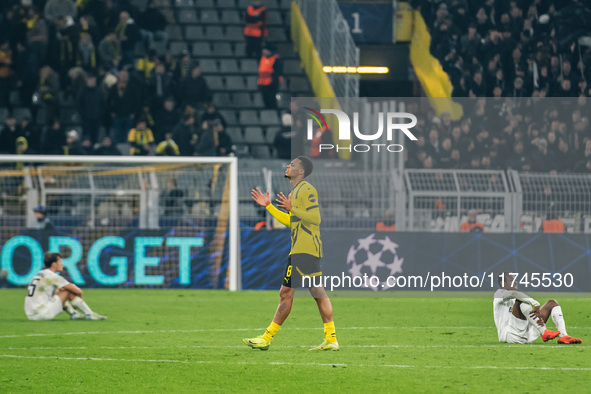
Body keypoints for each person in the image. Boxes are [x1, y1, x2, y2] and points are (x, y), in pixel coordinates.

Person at [244, 156, 339, 351]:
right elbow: (291, 221)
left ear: (301, 171)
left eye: (293, 165)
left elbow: (316, 218)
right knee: (317, 293)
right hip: (304, 250)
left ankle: (267, 337)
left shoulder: (307, 190)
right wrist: (269, 206)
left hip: (304, 251)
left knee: (286, 293)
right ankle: (331, 338)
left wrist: (292, 209)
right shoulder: (296, 191)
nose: (288, 166)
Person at [493, 272, 581, 344]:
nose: (516, 282)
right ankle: (544, 331)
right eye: (512, 280)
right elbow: (514, 294)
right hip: (510, 336)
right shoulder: (499, 293)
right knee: (521, 301)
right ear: (503, 283)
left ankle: (564, 336)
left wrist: (537, 319)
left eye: (515, 279)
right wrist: (535, 303)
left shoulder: (517, 296)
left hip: (526, 334)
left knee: (552, 303)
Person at [25, 252, 106, 321]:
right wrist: (78, 301)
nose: (62, 264)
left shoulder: (39, 274)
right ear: (54, 264)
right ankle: (89, 313)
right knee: (67, 291)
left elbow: (55, 294)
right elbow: (78, 291)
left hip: (31, 315)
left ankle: (73, 314)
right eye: (60, 261)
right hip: (42, 313)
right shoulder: (52, 276)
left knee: (59, 291)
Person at [257, 44, 283, 109]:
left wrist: (274, 83)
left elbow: (277, 72)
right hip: (262, 83)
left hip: (271, 83)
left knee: (271, 99)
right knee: (265, 99)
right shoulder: (263, 58)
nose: (263, 51)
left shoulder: (276, 60)